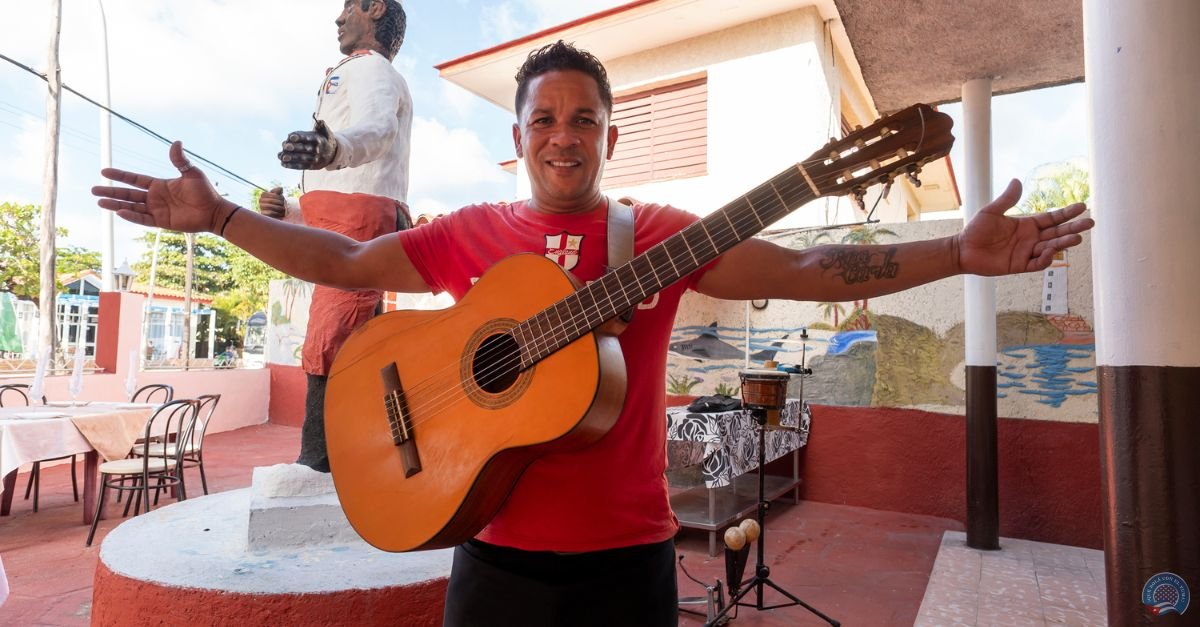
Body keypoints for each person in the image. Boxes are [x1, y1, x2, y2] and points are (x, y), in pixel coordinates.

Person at [93, 41, 1093, 627]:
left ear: (609, 136)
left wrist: (956, 255)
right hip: (489, 559)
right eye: (542, 118)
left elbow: (804, 269)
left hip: (626, 566)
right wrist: (222, 217)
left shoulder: (652, 239)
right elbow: (349, 267)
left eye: (583, 118)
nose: (562, 134)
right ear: (518, 134)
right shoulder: (472, 235)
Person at [258, 0, 412, 472]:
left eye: (349, 8)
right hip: (354, 216)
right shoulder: (359, 72)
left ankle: (317, 462)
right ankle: (363, 451)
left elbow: (378, 132)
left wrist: (334, 148)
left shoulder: (371, 72)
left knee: (331, 335)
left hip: (360, 220)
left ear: (374, 9)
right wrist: (290, 211)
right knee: (355, 337)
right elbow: (348, 183)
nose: (339, 19)